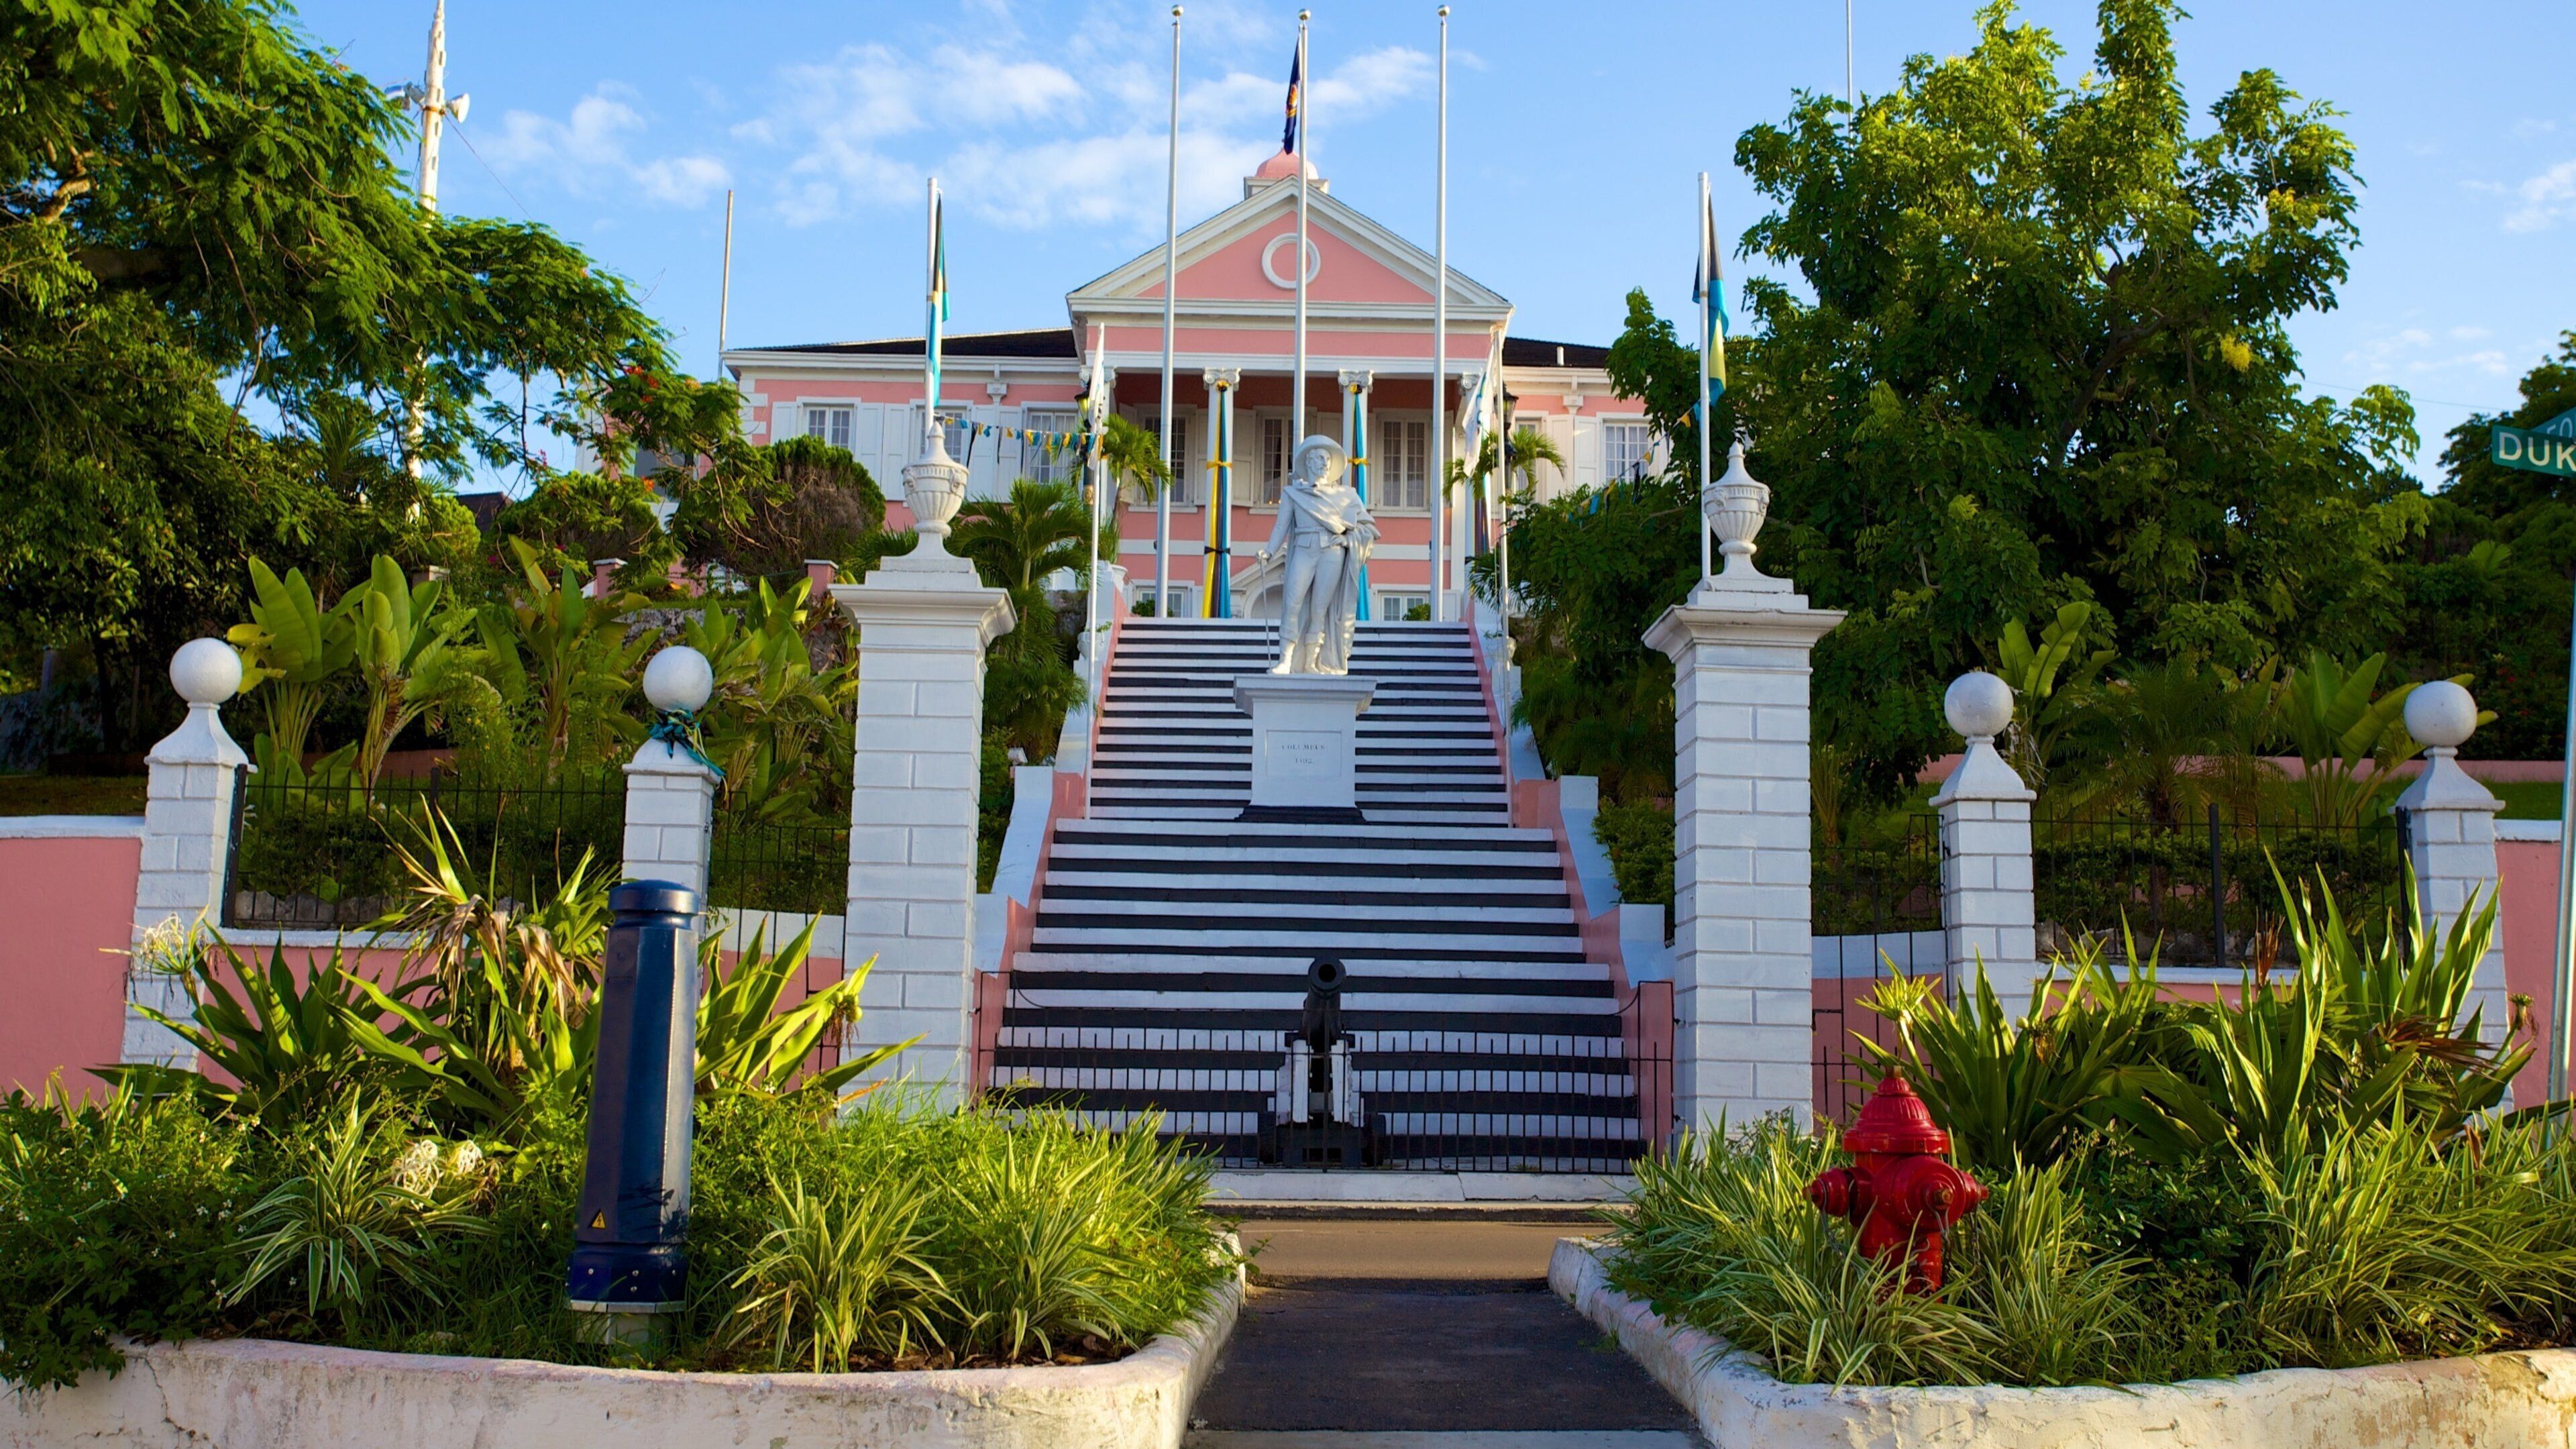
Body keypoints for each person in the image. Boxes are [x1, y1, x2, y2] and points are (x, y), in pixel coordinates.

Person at [1259, 435, 1379, 674]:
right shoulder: (1294, 493)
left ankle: (1311, 662)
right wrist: (1270, 551)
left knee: (1319, 609)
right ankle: (1286, 660)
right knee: (1291, 603)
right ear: (1308, 462)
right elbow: (1281, 526)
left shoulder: (1347, 495)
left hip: (1332, 552)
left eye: (1327, 459)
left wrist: (1347, 539)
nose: (1325, 463)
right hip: (1304, 549)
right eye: (1319, 458)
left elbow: (1370, 529)